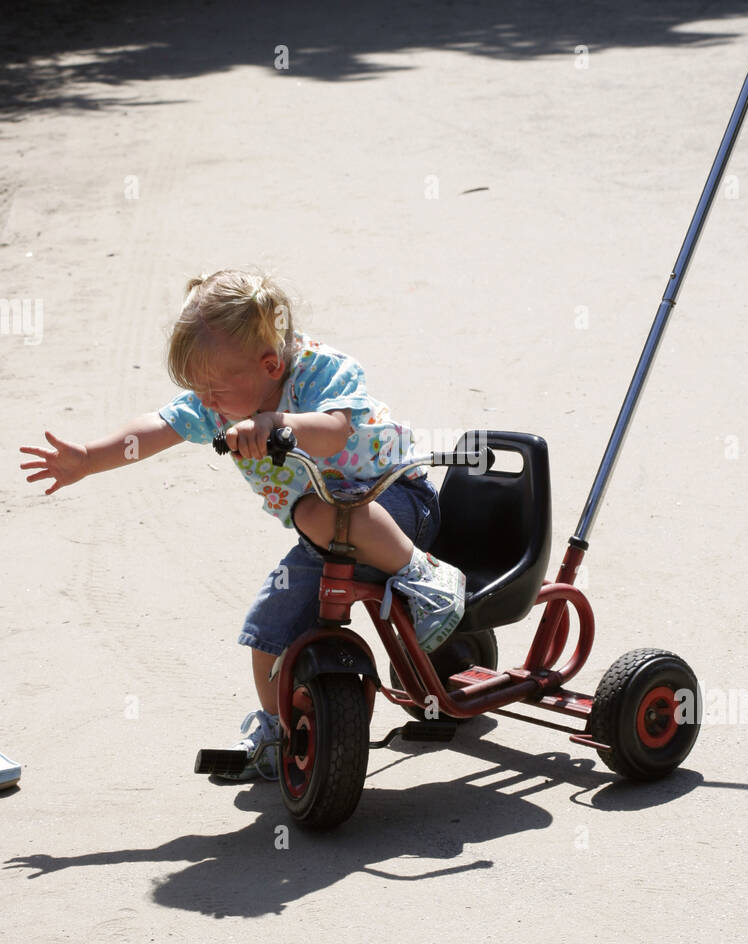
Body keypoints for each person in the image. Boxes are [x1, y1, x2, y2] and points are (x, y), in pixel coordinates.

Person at [19, 270, 465, 782]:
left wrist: (279, 425)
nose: (205, 404)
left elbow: (336, 430)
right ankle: (277, 731)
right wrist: (90, 458)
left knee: (316, 513)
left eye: (212, 390)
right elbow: (158, 426)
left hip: (395, 502)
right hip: (323, 533)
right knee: (267, 629)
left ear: (270, 365)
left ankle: (427, 578)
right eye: (197, 392)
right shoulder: (220, 402)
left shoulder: (322, 371)